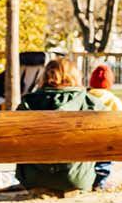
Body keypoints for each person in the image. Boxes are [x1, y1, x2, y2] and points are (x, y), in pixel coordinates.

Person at [14, 58, 99, 194]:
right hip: (78, 179)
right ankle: (99, 182)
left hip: (34, 179)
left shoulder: (28, 102)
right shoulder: (89, 102)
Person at [84, 64, 122, 191]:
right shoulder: (112, 99)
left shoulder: (86, 96)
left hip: (86, 138)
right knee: (104, 161)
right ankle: (99, 182)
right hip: (105, 140)